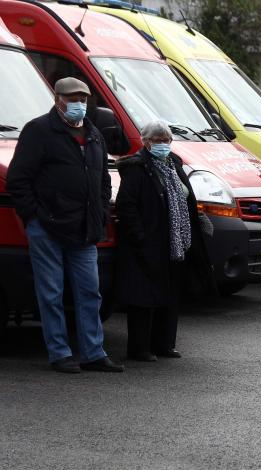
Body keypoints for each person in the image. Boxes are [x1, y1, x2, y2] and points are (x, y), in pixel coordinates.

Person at [6, 77, 124, 373]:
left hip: (84, 230)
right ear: (58, 99)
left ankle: (93, 353)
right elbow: (19, 179)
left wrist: (98, 213)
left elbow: (103, 180)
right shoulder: (39, 130)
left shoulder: (94, 133)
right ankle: (59, 353)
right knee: (51, 293)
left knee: (89, 292)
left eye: (83, 99)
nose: (79, 104)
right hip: (48, 228)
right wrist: (34, 217)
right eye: (73, 99)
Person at [115, 120, 215, 361]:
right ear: (146, 142)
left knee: (170, 293)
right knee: (144, 296)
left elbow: (186, 197)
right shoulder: (137, 168)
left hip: (175, 240)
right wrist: (141, 237)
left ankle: (165, 344)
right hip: (149, 241)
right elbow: (126, 207)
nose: (163, 145)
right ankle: (140, 348)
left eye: (166, 140)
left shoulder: (174, 164)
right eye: (157, 140)